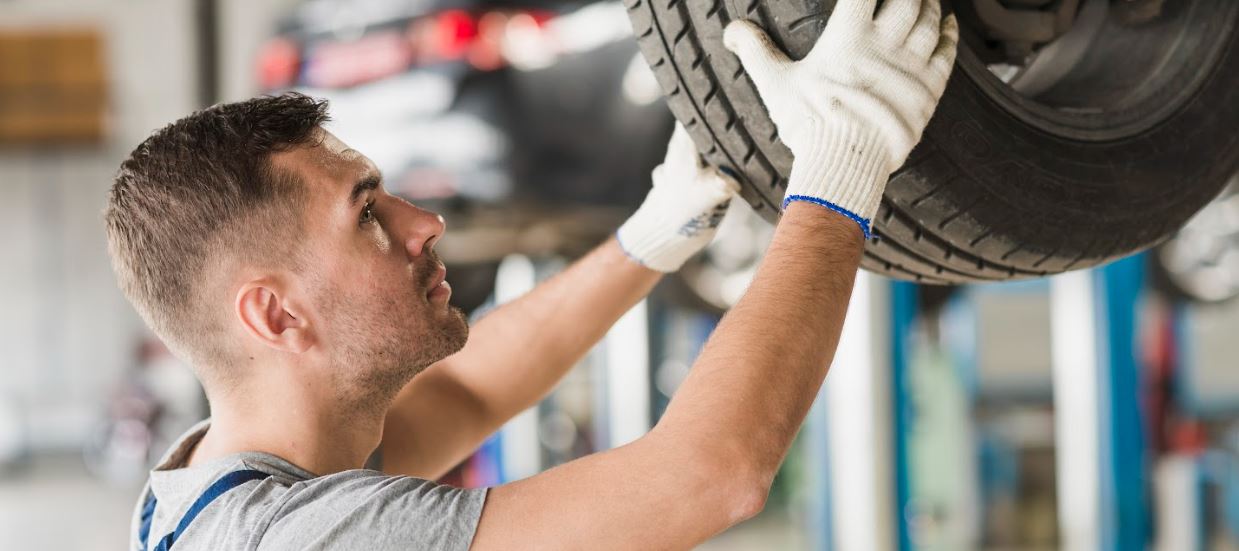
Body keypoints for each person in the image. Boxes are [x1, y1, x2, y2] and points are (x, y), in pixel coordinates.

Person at [106, 0, 957, 548]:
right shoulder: (300, 542)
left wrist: (650, 238)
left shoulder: (225, 484)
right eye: (368, 214)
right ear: (275, 315)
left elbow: (465, 394)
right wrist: (844, 163)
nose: (424, 222)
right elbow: (710, 475)